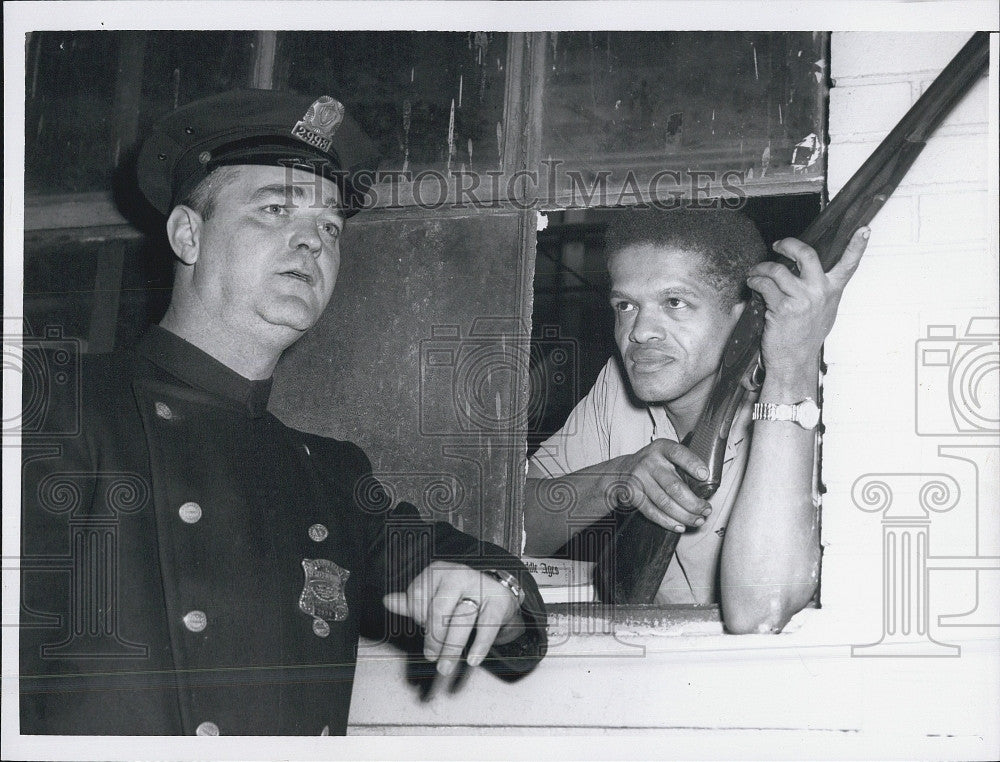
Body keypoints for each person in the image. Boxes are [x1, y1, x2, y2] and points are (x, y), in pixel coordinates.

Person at [20, 89, 546, 736]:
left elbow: (480, 572)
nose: (312, 242)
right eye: (275, 210)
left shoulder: (330, 475)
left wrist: (497, 593)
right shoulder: (56, 406)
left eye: (329, 226)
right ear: (189, 233)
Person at [523, 208, 868, 634]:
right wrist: (617, 477)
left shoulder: (804, 397)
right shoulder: (621, 384)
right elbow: (512, 527)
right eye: (626, 305)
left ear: (746, 317)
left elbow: (758, 611)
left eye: (675, 302)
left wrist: (791, 368)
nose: (639, 331)